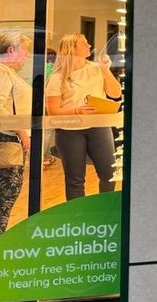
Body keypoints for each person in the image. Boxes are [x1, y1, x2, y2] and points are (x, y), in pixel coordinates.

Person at [44, 33, 122, 199]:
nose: (89, 45)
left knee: (109, 174)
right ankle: (78, 213)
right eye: (84, 43)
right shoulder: (57, 77)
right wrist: (76, 110)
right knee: (75, 180)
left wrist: (106, 71)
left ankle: (105, 209)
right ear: (72, 49)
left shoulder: (97, 68)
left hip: (99, 127)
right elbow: (53, 110)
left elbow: (116, 94)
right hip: (69, 131)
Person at [0, 33, 32, 245]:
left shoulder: (5, 72)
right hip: (3, 141)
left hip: (8, 140)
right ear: (11, 50)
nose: (26, 57)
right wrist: (21, 131)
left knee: (3, 201)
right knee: (0, 201)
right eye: (25, 52)